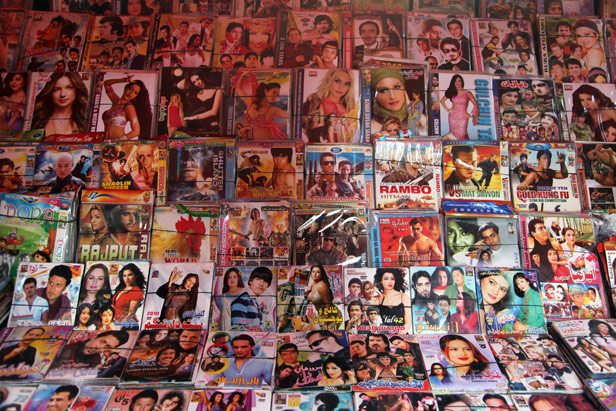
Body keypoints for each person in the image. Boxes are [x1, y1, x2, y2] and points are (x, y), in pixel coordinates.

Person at [302, 69, 358, 143]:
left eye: (346, 84)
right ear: (329, 80)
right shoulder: (314, 103)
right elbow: (304, 130)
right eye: (337, 81)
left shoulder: (351, 107)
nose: (341, 87)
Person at [236, 72, 288, 140]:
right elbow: (239, 89)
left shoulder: (273, 110)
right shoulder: (250, 102)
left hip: (265, 142)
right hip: (247, 142)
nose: (275, 96)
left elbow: (291, 116)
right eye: (274, 92)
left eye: (277, 95)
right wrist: (242, 76)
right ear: (266, 91)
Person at [102, 74, 152, 140]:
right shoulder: (115, 101)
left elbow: (136, 131)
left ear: (136, 96)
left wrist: (119, 140)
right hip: (105, 142)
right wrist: (124, 80)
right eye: (130, 89)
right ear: (125, 88)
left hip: (117, 143)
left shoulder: (129, 107)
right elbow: (106, 84)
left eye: (135, 93)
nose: (131, 93)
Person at [369, 69, 411, 133]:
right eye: (383, 90)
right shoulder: (370, 129)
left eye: (397, 87)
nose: (392, 96)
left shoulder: (420, 121)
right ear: (374, 96)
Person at [372, 268, 412, 333]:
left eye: (392, 279)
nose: (389, 282)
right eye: (386, 279)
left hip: (402, 335)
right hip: (383, 335)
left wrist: (397, 335)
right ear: (380, 281)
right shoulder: (377, 299)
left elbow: (408, 324)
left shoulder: (403, 297)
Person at [440, 75, 479, 139]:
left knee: (462, 134)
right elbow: (442, 101)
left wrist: (471, 114)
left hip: (463, 118)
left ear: (462, 82)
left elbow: (476, 104)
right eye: (455, 81)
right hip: (452, 117)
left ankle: (465, 145)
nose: (457, 83)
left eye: (459, 81)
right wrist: (447, 109)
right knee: (453, 135)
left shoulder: (467, 93)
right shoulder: (452, 92)